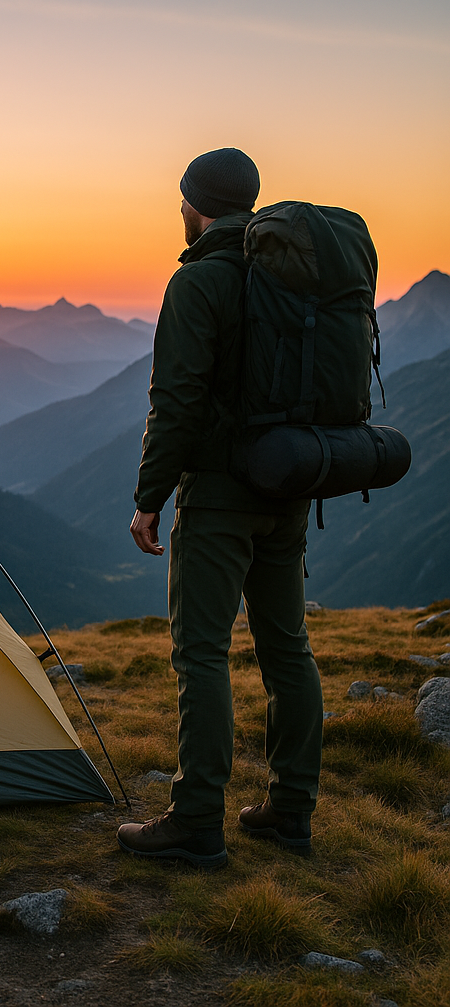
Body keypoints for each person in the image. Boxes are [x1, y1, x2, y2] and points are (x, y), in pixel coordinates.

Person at [116, 148, 323, 868]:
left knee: (201, 652)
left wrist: (150, 498)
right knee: (286, 649)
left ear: (194, 204)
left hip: (220, 497)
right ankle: (290, 812)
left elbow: (176, 401)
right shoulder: (287, 273)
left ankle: (197, 820)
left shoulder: (199, 280)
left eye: (181, 199)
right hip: (290, 487)